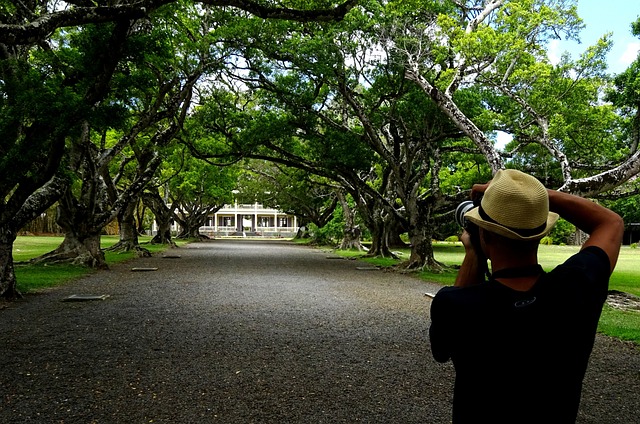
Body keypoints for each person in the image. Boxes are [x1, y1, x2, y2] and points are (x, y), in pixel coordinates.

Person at [429, 169, 624, 423]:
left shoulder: (454, 305)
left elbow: (442, 351)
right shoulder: (577, 286)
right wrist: (535, 198)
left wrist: (474, 253)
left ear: (484, 234)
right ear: (540, 232)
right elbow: (611, 223)